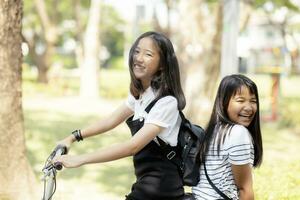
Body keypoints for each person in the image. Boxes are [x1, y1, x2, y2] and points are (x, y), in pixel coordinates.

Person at [54, 31, 186, 200]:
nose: (138, 58)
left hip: (161, 188)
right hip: (146, 183)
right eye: (137, 51)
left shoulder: (167, 103)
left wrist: (80, 159)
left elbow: (133, 146)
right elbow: (110, 121)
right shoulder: (141, 95)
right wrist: (73, 137)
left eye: (148, 54)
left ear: (162, 65)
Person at [192, 74, 263, 200]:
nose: (248, 108)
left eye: (253, 101)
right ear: (224, 102)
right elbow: (244, 189)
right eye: (240, 100)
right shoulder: (238, 133)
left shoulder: (214, 130)